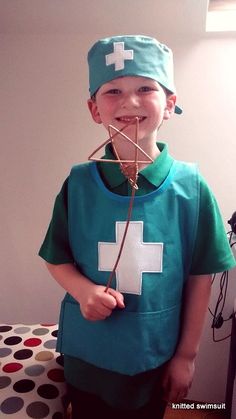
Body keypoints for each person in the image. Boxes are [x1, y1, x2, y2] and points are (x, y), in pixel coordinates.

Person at [39, 35, 236, 419]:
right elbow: (56, 257)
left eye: (145, 88)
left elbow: (201, 277)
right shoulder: (77, 185)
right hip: (89, 357)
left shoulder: (191, 189)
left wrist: (186, 355)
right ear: (95, 109)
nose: (129, 101)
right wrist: (84, 291)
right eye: (113, 91)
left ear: (170, 105)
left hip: (154, 356)